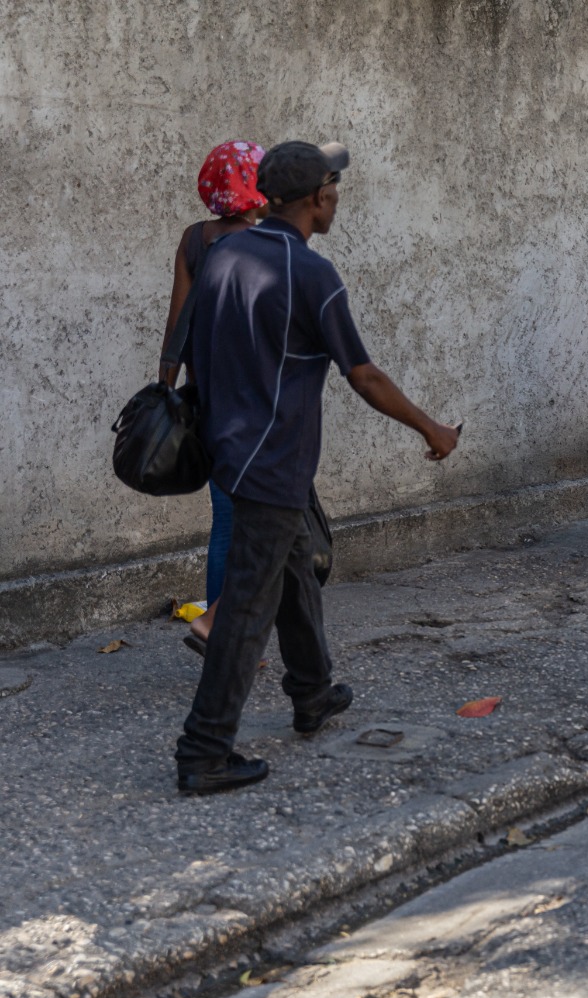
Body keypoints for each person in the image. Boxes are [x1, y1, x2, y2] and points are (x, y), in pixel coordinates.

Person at [174, 140, 461, 795]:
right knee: (246, 610)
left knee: (297, 568)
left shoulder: (224, 254)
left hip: (236, 451)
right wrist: (431, 428)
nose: (336, 198)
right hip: (273, 461)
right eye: (332, 189)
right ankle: (203, 750)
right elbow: (364, 373)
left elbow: (192, 344)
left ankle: (311, 693)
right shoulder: (312, 275)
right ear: (315, 200)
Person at [158, 141, 271, 656]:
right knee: (268, 517)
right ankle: (233, 635)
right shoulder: (266, 242)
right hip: (253, 400)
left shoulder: (193, 240)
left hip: (207, 398)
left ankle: (219, 626)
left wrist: (165, 388)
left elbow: (178, 321)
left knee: (226, 517)